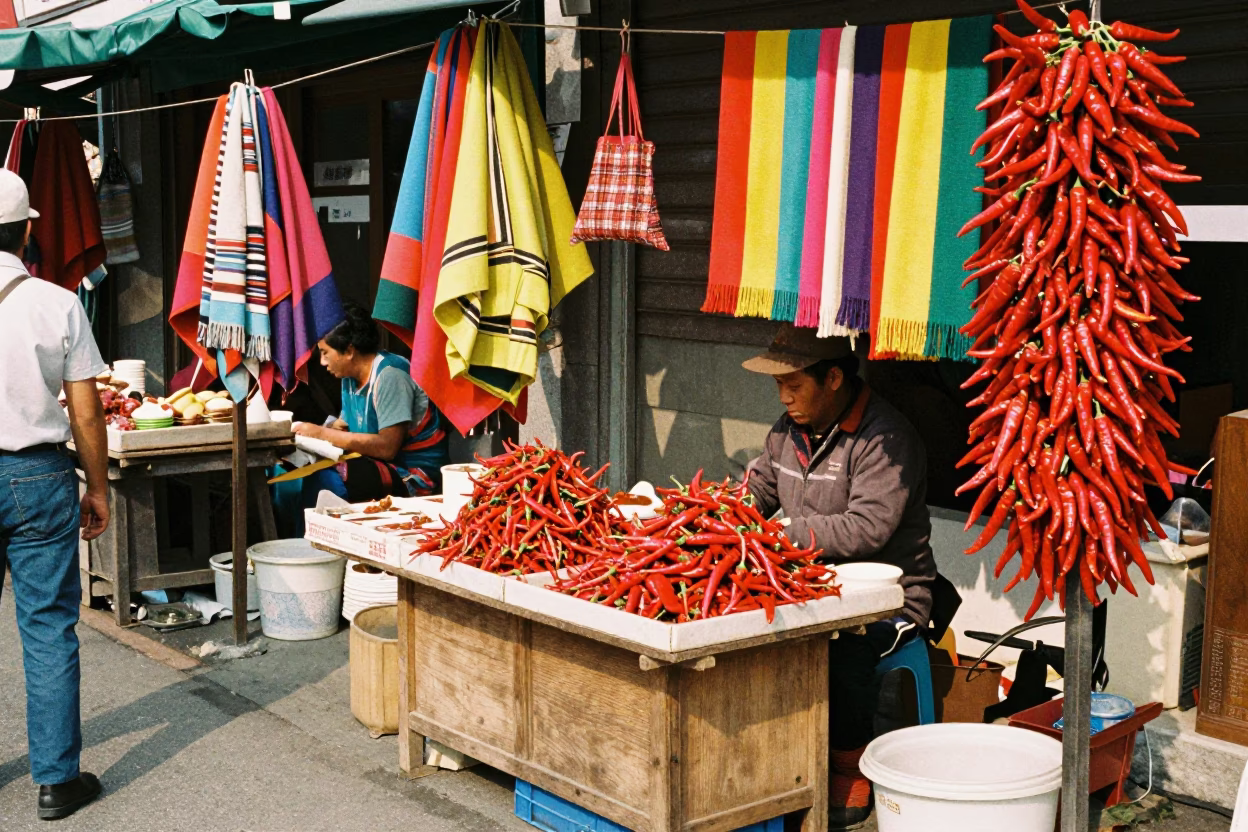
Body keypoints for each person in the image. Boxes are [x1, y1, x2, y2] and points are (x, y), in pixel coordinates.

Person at [742, 323, 935, 831]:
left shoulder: (885, 438)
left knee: (843, 648)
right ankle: (780, 761)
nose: (784, 397)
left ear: (833, 378)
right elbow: (759, 485)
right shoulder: (787, 431)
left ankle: (850, 765)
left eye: (794, 385)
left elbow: (869, 527)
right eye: (778, 386)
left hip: (887, 600)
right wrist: (726, 512)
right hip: (806, 585)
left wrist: (786, 533)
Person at [0, 168, 109, 820]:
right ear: (29, 229)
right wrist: (97, 486)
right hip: (38, 474)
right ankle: (56, 781)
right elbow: (87, 413)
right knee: (46, 628)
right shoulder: (58, 301)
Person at [289, 305, 449, 516]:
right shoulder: (348, 377)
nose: (322, 362)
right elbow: (346, 427)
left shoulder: (390, 375)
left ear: (349, 351)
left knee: (329, 477)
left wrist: (322, 433)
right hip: (377, 462)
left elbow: (387, 448)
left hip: (412, 475)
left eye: (325, 352)